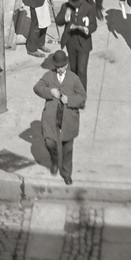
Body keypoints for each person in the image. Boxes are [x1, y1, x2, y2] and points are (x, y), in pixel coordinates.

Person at [36, 48, 87, 185]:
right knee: (49, 142)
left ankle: (66, 172)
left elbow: (82, 97)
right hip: (52, 116)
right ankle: (54, 159)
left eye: (62, 66)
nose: (60, 69)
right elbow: (37, 88)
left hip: (68, 117)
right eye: (57, 67)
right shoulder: (48, 76)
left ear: (67, 64)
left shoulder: (74, 78)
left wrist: (69, 100)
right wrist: (49, 91)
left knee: (68, 147)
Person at [55, 0, 96, 89]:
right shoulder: (65, 7)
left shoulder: (89, 8)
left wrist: (87, 29)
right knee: (73, 69)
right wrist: (66, 17)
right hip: (71, 42)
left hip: (84, 42)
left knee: (82, 71)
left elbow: (93, 25)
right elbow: (58, 21)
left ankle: (81, 96)